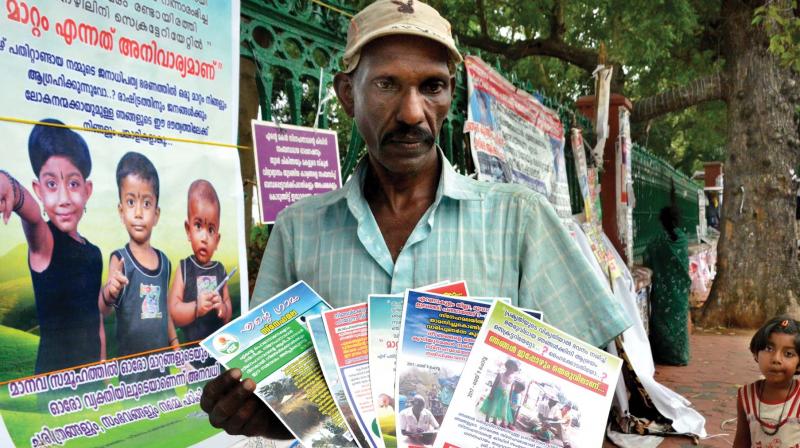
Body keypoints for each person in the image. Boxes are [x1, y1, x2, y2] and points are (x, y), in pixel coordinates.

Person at [200, 0, 629, 440]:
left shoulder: (518, 219)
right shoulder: (298, 229)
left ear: (449, 94)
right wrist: (259, 414)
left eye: (432, 86)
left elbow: (585, 385)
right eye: (387, 84)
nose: (411, 113)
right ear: (347, 94)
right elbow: (278, 392)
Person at [0, 119, 103, 375]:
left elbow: (96, 317)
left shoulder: (94, 253)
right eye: (52, 185)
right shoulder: (44, 242)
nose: (64, 199)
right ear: (39, 190)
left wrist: (101, 366)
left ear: (87, 190)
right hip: (53, 388)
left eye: (73, 184)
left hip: (91, 384)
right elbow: (32, 215)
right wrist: (10, 186)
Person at [99, 152, 177, 382]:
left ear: (156, 214)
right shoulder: (120, 259)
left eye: (146, 203)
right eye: (131, 202)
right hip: (131, 371)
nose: (139, 213)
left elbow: (165, 312)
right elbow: (104, 310)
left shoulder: (165, 263)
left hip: (162, 368)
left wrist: (176, 349)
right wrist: (110, 291)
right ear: (121, 211)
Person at [168, 180, 232, 367]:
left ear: (217, 240)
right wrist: (196, 308)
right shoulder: (185, 268)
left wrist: (222, 308)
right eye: (198, 226)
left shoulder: (220, 269)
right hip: (192, 357)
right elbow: (174, 311)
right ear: (188, 231)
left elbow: (227, 310)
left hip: (220, 353)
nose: (204, 237)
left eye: (211, 229)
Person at [733, 316, 800, 447]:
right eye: (769, 349)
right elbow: (742, 441)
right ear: (756, 353)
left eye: (788, 354)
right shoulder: (746, 396)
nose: (776, 359)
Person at [644, 206, 691, 365]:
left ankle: (663, 355)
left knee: (662, 322)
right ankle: (679, 356)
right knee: (679, 323)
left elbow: (647, 259)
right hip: (680, 291)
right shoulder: (683, 239)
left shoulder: (656, 241)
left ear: (661, 221)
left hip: (662, 291)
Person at [480, 358, 518, 427]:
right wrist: (491, 394)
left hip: (505, 396)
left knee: (502, 408)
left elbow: (511, 390)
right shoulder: (500, 375)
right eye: (512, 368)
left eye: (514, 369)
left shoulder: (512, 379)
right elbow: (494, 385)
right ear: (508, 367)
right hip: (497, 393)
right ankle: (487, 419)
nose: (512, 371)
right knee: (493, 406)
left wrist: (509, 398)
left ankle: (497, 421)